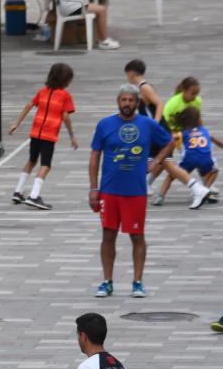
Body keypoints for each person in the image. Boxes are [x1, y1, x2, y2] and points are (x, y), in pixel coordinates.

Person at [89, 85, 210, 299]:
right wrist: (93, 188)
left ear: (138, 103)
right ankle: (107, 282)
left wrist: (156, 161)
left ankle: (137, 282)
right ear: (118, 101)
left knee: (137, 236)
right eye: (123, 99)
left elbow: (169, 141)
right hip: (109, 191)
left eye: (131, 100)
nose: (127, 104)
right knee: (108, 236)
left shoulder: (147, 125)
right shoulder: (105, 124)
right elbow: (94, 157)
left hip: (136, 192)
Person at [8, 62, 78, 210]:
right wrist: (72, 135)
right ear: (65, 80)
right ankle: (34, 196)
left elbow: (28, 106)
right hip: (49, 134)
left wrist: (17, 123)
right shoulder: (65, 96)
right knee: (45, 165)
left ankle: (18, 191)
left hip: (35, 132)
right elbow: (65, 117)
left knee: (32, 160)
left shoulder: (42, 91)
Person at [152, 107, 223, 206]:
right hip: (205, 159)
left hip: (189, 159)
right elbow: (219, 141)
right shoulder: (205, 131)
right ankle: (205, 190)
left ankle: (160, 196)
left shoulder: (182, 133)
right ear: (198, 120)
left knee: (171, 176)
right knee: (214, 171)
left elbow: (170, 139)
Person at [152, 77, 202, 201]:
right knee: (165, 160)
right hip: (170, 135)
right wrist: (169, 136)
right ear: (183, 91)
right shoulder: (173, 103)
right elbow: (163, 122)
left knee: (199, 156)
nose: (195, 96)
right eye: (193, 93)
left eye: (197, 94)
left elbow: (198, 121)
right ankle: (148, 183)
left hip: (187, 135)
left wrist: (201, 133)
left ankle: (204, 186)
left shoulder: (197, 101)